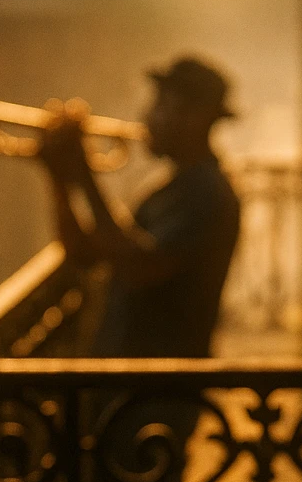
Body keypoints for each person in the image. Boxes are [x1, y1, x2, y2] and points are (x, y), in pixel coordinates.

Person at [39, 55, 241, 358]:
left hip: (160, 392)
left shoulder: (206, 193)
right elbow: (82, 252)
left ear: (194, 118)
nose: (148, 117)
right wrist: (57, 179)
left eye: (162, 106)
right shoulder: (172, 190)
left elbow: (139, 267)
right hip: (135, 386)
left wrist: (84, 176)